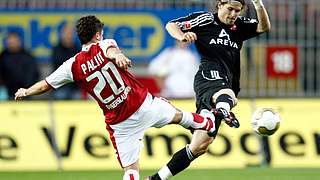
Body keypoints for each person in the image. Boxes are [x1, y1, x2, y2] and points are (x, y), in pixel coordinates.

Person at [14, 15, 222, 180]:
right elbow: (112, 51)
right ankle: (209, 120)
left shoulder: (71, 66)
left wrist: (26, 91)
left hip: (120, 123)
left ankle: (206, 121)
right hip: (141, 104)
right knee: (179, 116)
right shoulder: (104, 45)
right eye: (101, 33)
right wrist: (119, 56)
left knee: (131, 170)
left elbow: (45, 84)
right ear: (97, 34)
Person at [147, 0, 271, 179]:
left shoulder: (240, 26)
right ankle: (222, 110)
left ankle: (156, 178)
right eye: (230, 9)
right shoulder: (205, 20)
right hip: (208, 76)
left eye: (238, 10)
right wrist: (181, 36)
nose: (234, 14)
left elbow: (263, 27)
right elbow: (171, 25)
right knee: (227, 96)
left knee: (199, 147)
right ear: (219, 5)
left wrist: (258, 4)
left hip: (228, 82)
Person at [0, 31, 40, 100]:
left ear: (19, 41)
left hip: (26, 91)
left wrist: (27, 88)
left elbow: (34, 73)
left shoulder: (27, 56)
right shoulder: (3, 56)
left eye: (14, 41)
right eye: (10, 41)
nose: (12, 43)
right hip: (6, 92)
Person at [50, 22, 81, 99]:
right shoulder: (57, 49)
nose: (68, 36)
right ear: (61, 34)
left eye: (70, 33)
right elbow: (58, 66)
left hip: (75, 86)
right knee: (60, 95)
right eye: (66, 33)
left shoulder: (78, 49)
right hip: (61, 84)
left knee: (77, 96)